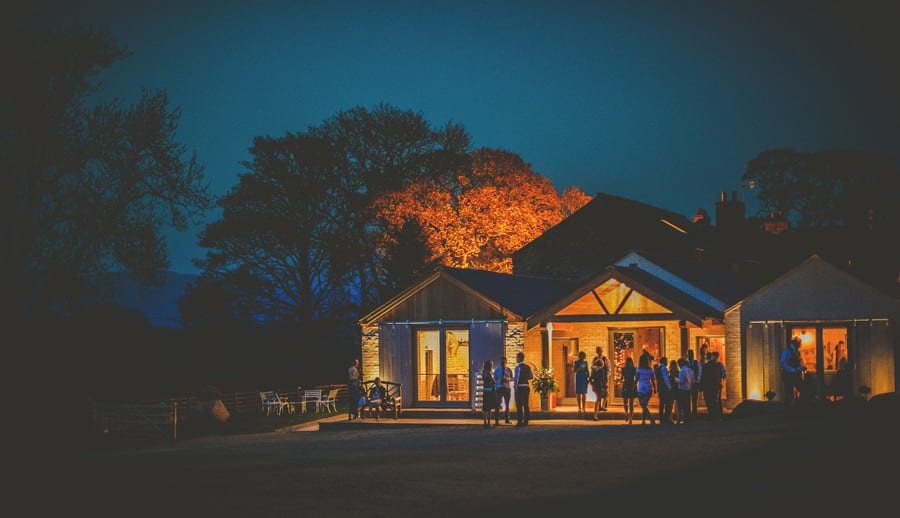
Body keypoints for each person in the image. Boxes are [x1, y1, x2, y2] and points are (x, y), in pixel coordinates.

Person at [780, 336, 807, 407]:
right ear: (796, 343)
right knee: (790, 394)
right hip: (789, 375)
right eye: (800, 343)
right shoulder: (787, 351)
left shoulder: (796, 352)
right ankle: (787, 411)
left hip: (795, 375)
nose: (801, 345)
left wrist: (800, 368)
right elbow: (783, 363)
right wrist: (794, 370)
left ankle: (796, 407)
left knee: (803, 390)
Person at [702, 351, 725, 421]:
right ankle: (717, 416)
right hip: (715, 386)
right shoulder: (718, 365)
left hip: (711, 386)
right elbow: (723, 375)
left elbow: (703, 377)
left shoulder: (707, 366)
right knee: (716, 401)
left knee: (711, 401)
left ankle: (713, 415)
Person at [513, 351, 534, 427]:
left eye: (517, 358)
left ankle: (519, 421)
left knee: (519, 405)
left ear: (519, 358)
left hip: (520, 387)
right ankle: (526, 421)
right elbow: (531, 377)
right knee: (525, 404)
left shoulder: (517, 367)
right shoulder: (528, 367)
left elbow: (516, 378)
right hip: (526, 386)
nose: (516, 359)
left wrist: (515, 388)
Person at [636, 353, 656, 425]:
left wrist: (634, 386)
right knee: (644, 405)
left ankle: (651, 418)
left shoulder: (638, 370)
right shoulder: (650, 370)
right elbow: (653, 380)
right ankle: (643, 420)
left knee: (643, 405)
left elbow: (636, 379)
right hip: (648, 388)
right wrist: (654, 388)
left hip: (641, 389)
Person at [493, 356, 514, 425]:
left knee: (507, 404)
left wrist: (507, 379)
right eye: (501, 361)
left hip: (506, 388)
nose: (503, 363)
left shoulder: (508, 369)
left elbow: (512, 378)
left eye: (504, 361)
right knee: (497, 404)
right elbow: (495, 378)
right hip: (499, 388)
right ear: (500, 362)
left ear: (506, 362)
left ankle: (507, 419)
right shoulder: (497, 370)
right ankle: (496, 420)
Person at [590, 349, 609, 420]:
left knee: (600, 398)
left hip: (596, 386)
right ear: (602, 365)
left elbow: (591, 378)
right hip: (600, 386)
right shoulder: (602, 371)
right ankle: (595, 415)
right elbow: (603, 379)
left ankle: (601, 408)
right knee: (600, 398)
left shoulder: (594, 370)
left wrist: (592, 384)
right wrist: (605, 384)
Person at [654, 356, 674, 424]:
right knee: (667, 404)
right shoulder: (663, 368)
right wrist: (669, 388)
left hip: (660, 388)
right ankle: (666, 419)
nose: (667, 362)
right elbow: (666, 379)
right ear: (663, 361)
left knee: (661, 404)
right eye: (666, 361)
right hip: (665, 389)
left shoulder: (657, 369)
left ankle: (661, 418)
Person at [674, 357, 694, 424]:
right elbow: (693, 380)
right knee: (687, 405)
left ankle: (685, 419)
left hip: (682, 390)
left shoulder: (682, 371)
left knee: (683, 405)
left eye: (678, 364)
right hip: (689, 389)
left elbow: (681, 381)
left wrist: (675, 379)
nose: (678, 365)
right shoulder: (690, 370)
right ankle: (688, 419)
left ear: (680, 363)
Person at [481, 359, 498, 428]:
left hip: (485, 390)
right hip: (490, 391)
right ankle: (488, 423)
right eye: (492, 364)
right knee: (489, 408)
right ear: (490, 365)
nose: (492, 365)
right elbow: (493, 381)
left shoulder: (483, 372)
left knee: (485, 407)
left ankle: (484, 422)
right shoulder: (488, 372)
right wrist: (494, 380)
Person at [686, 349, 702, 419]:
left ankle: (694, 413)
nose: (690, 355)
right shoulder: (685, 363)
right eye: (689, 354)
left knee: (694, 399)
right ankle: (688, 413)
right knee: (687, 399)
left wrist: (698, 379)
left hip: (695, 383)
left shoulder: (697, 362)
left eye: (691, 354)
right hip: (687, 384)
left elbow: (700, 371)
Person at [621, 356, 637, 424]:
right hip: (631, 384)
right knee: (631, 403)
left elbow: (622, 378)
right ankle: (630, 418)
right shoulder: (634, 369)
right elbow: (636, 377)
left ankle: (626, 413)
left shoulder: (624, 369)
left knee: (625, 402)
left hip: (626, 384)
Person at [573, 351, 589, 416]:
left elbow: (587, 370)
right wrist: (579, 368)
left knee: (584, 393)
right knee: (578, 393)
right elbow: (574, 371)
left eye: (583, 355)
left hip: (584, 378)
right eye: (581, 355)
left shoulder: (585, 362)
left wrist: (588, 377)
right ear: (579, 356)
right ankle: (579, 407)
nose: (583, 357)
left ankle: (584, 407)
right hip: (579, 378)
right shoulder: (576, 362)